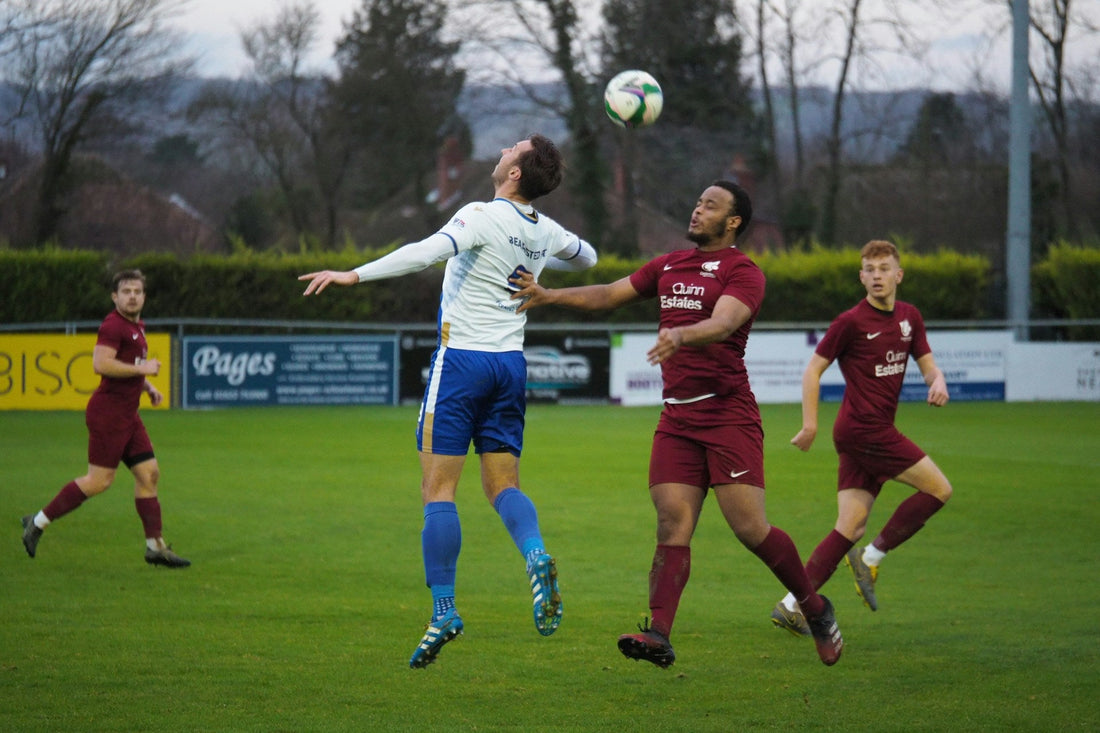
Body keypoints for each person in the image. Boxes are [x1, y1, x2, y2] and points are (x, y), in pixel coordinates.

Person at [511, 180, 843, 667]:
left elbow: (726, 322)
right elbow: (609, 294)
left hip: (728, 415)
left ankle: (815, 608)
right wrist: (548, 295)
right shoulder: (669, 264)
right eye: (698, 201)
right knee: (671, 520)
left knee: (750, 529)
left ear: (732, 222)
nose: (697, 209)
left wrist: (682, 334)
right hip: (677, 418)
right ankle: (659, 635)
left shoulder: (743, 271)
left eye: (710, 205)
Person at [298, 134, 597, 669]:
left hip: (461, 363)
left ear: (514, 173)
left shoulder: (482, 214)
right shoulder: (544, 230)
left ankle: (443, 610)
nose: (503, 149)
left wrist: (353, 273)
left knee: (438, 490)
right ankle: (534, 554)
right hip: (510, 366)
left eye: (512, 148)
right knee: (503, 485)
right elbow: (588, 257)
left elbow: (425, 253)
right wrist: (544, 277)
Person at [770, 239, 952, 635]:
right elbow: (812, 371)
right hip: (865, 431)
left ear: (898, 275)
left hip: (862, 434)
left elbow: (929, 367)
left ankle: (790, 605)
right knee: (939, 490)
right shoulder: (850, 322)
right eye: (869, 270)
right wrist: (809, 424)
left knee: (849, 526)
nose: (877, 276)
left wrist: (937, 382)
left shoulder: (910, 318)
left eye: (884, 269)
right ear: (861, 277)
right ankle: (871, 557)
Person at [21, 269, 190, 568]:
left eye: (137, 291)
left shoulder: (138, 327)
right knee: (99, 482)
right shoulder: (113, 326)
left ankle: (155, 547)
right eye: (126, 291)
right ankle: (36, 522)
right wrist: (143, 371)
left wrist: (147, 386)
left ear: (144, 296)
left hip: (128, 415)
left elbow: (130, 364)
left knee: (149, 474)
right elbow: (101, 364)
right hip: (109, 415)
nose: (133, 296)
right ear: (115, 297)